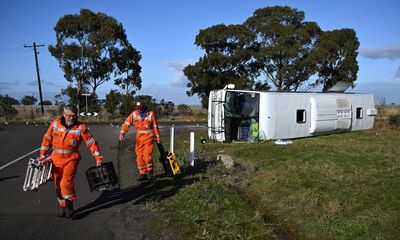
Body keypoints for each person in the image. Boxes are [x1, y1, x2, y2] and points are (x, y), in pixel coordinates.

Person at [39, 105, 103, 218]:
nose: (72, 118)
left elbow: (91, 143)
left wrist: (98, 157)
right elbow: (46, 140)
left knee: (66, 182)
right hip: (55, 160)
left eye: (74, 116)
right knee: (57, 185)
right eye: (69, 115)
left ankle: (69, 207)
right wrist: (42, 156)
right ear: (64, 114)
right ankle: (63, 206)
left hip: (71, 158)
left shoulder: (81, 127)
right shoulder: (55, 124)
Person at [119, 102, 161, 181]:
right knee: (139, 157)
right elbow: (126, 123)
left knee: (147, 156)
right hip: (139, 140)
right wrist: (122, 133)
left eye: (140, 108)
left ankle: (150, 171)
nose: (139, 109)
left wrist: (158, 137)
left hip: (149, 138)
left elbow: (155, 126)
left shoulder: (150, 114)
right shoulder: (134, 114)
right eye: (137, 108)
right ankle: (142, 173)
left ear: (144, 107)